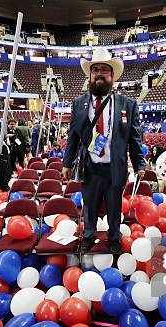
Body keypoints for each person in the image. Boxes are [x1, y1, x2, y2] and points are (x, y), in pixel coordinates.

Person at [62, 48, 146, 254]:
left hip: (114, 168)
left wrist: (139, 164)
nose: (99, 73)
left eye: (104, 70)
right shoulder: (79, 104)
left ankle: (114, 237)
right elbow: (73, 135)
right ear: (90, 75)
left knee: (114, 206)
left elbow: (135, 139)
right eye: (95, 70)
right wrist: (66, 162)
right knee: (89, 206)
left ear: (112, 76)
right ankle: (89, 236)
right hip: (89, 167)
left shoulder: (128, 104)